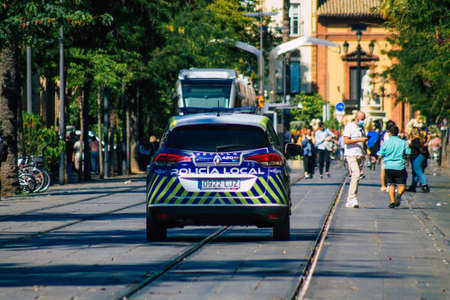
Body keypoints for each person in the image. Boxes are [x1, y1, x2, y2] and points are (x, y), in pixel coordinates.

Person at [377, 125, 411, 208]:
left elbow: (379, 155)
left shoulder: (386, 143)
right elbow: (408, 152)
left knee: (391, 184)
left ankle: (392, 202)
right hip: (399, 166)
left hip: (388, 167)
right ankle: (398, 195)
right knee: (402, 185)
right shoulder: (403, 142)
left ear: (389, 133)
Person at [343, 111, 368, 208]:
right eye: (362, 119)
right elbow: (346, 141)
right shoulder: (349, 127)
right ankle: (353, 198)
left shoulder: (362, 128)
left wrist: (367, 150)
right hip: (351, 154)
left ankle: (350, 199)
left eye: (364, 119)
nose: (363, 121)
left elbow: (363, 141)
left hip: (360, 154)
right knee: (356, 174)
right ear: (356, 118)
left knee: (355, 176)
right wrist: (359, 140)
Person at [406, 128, 430, 193]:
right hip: (420, 156)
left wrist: (409, 145)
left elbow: (418, 147)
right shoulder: (420, 139)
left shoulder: (416, 140)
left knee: (418, 171)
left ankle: (425, 185)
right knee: (415, 172)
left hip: (417, 157)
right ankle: (413, 186)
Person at [380, 120, 396, 192]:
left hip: (386, 154)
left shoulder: (384, 133)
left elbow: (381, 143)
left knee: (384, 169)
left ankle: (384, 185)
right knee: (391, 169)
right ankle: (388, 185)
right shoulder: (393, 133)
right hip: (392, 154)